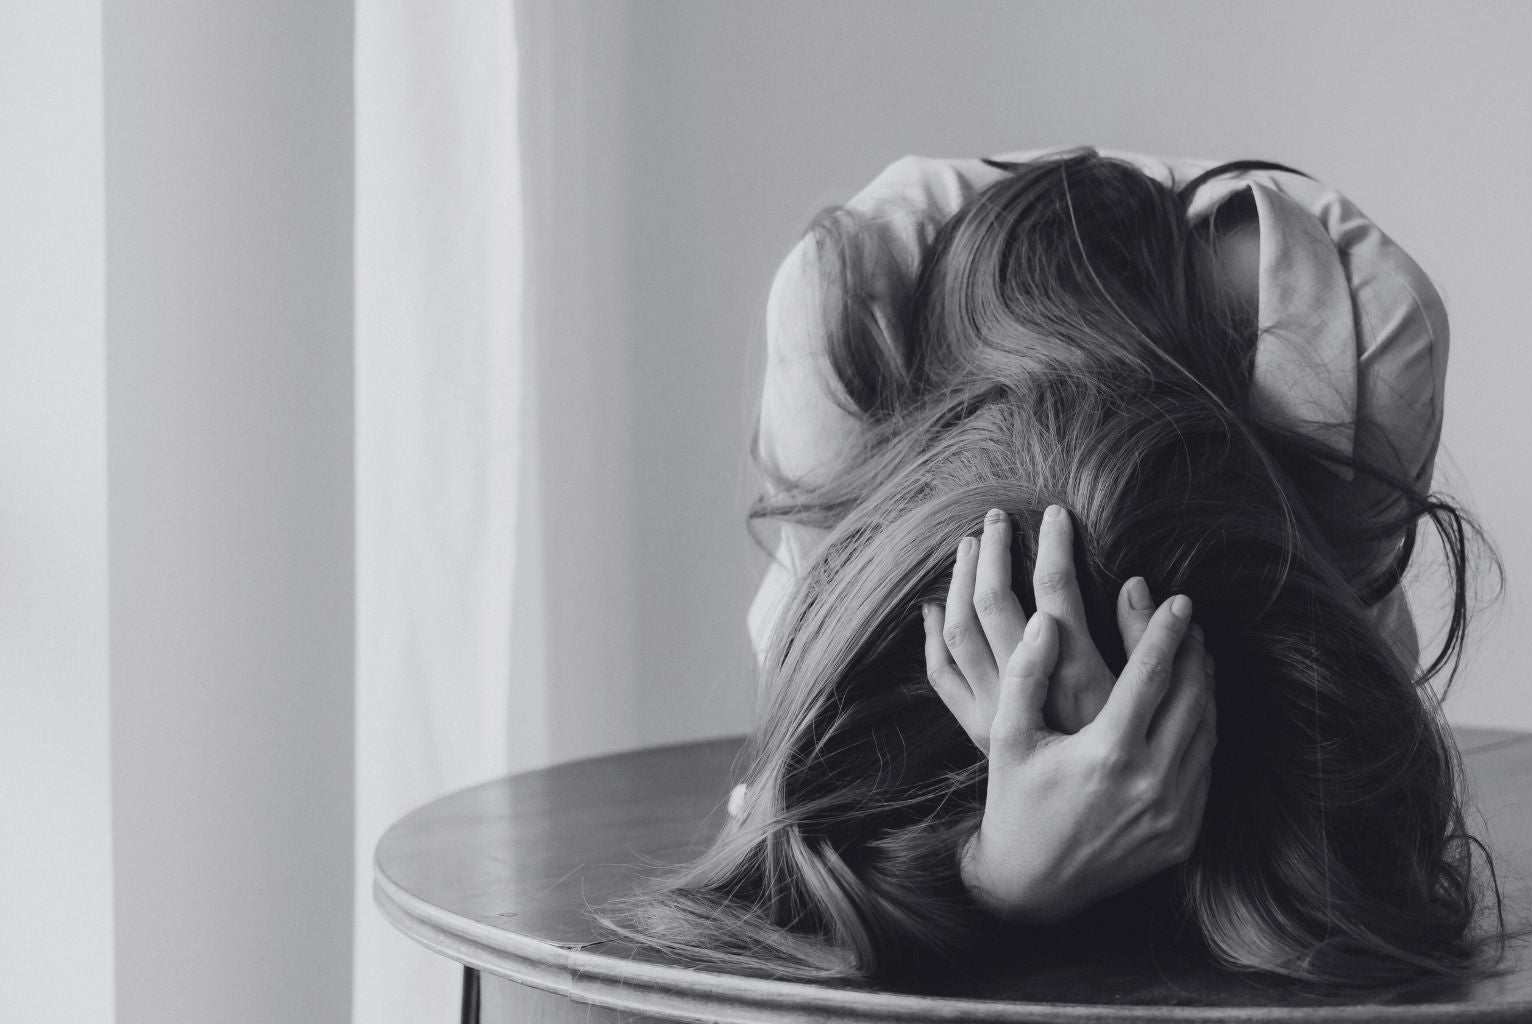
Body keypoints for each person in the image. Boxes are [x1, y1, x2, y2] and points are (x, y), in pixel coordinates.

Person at [603, 148, 1486, 987]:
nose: (1091, 742)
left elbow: (1366, 872)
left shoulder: (1360, 344)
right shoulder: (847, 313)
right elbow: (778, 841)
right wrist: (996, 874)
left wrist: (1160, 776)